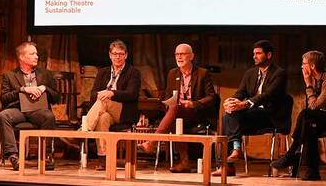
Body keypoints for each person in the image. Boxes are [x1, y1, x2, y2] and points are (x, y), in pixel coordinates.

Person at [271, 50, 326, 180]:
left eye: (304, 63)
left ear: (313, 66)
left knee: (306, 114)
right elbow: (313, 109)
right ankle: (311, 171)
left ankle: (292, 154)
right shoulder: (315, 78)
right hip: (324, 116)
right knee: (309, 126)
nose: (302, 66)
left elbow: (314, 106)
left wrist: (308, 84)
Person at [213, 40, 289, 176]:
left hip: (270, 116)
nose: (254, 56)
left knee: (229, 117)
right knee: (228, 114)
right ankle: (234, 153)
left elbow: (267, 95)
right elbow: (240, 93)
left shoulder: (279, 73)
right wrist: (230, 102)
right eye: (254, 53)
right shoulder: (250, 73)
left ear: (269, 55)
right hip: (253, 115)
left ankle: (229, 164)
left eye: (258, 53)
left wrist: (244, 104)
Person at [139, 44, 215, 173]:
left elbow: (211, 97)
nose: (179, 57)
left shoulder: (202, 73)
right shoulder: (172, 73)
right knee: (175, 113)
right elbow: (169, 96)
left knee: (175, 111)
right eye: (177, 54)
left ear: (191, 56)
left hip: (196, 113)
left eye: (183, 54)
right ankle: (184, 162)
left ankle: (152, 142)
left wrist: (194, 103)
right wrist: (166, 102)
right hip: (177, 113)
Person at [0, 41, 60, 171]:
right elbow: (4, 99)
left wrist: (44, 88)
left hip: (37, 110)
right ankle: (13, 156)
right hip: (18, 110)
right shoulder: (9, 76)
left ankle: (45, 155)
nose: (36, 56)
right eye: (32, 54)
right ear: (22, 57)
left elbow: (56, 98)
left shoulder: (45, 74)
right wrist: (23, 89)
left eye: (36, 54)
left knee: (48, 116)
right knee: (3, 115)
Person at [85, 40, 141, 170]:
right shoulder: (102, 72)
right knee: (103, 118)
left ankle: (84, 130)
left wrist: (111, 93)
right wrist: (101, 94)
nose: (117, 57)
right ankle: (104, 159)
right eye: (115, 53)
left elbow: (132, 94)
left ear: (126, 55)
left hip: (124, 111)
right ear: (110, 55)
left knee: (104, 100)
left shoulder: (133, 72)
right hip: (104, 109)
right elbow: (93, 94)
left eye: (121, 54)